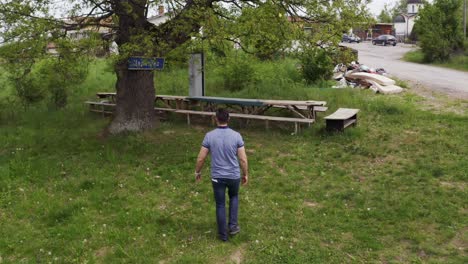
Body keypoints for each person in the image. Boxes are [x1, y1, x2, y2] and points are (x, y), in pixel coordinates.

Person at [195, 108, 249, 242]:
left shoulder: (209, 136)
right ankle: (233, 227)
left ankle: (222, 235)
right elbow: (242, 159)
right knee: (234, 197)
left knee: (220, 204)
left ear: (216, 119)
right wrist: (245, 174)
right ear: (228, 119)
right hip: (233, 176)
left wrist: (198, 171)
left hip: (217, 177)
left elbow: (201, 158)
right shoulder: (237, 135)